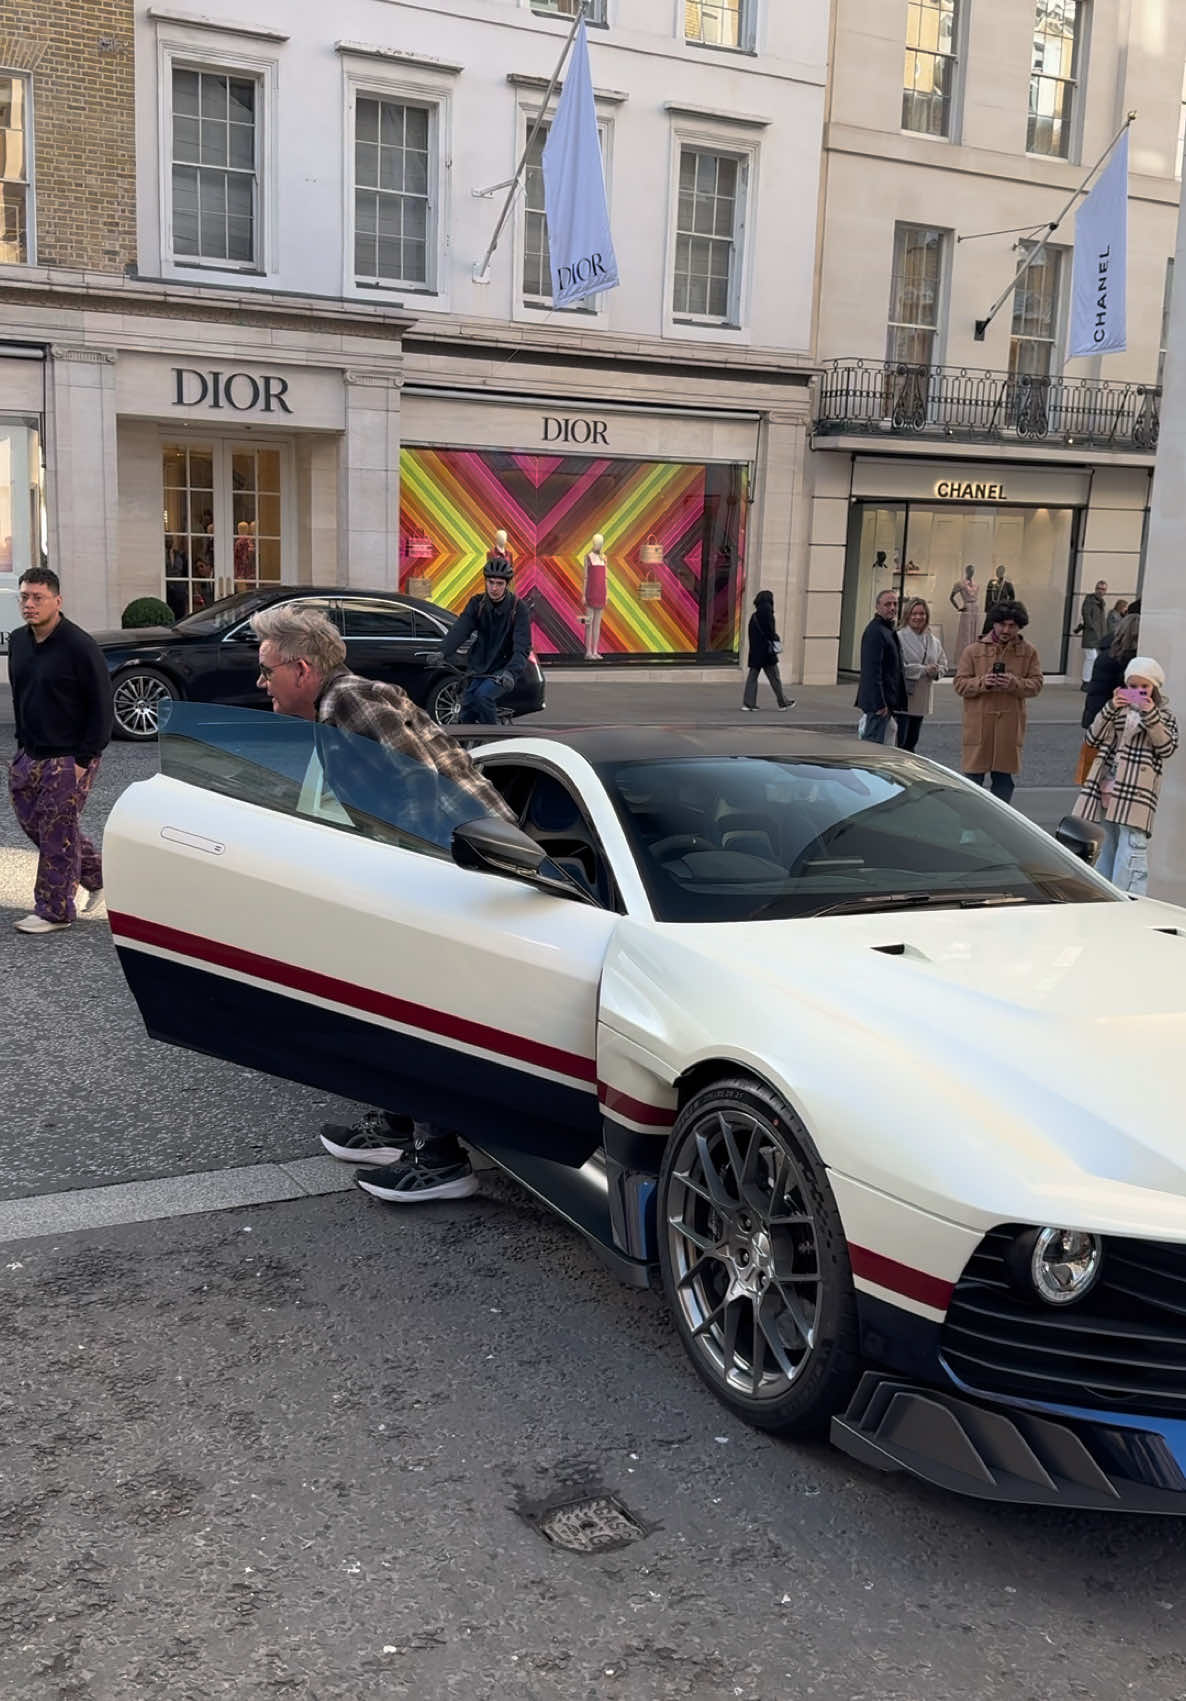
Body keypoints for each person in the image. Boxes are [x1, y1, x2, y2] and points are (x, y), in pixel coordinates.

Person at [249, 602, 517, 1203]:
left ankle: (441, 1161)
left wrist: (409, 881)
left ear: (302, 669)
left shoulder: (351, 700)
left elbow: (422, 783)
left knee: (420, 1009)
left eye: (267, 670)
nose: (260, 682)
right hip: (453, 865)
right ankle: (397, 1123)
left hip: (460, 870)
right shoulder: (336, 705)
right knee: (389, 1000)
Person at [7, 567, 113, 934]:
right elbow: (22, 695)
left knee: (56, 829)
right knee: (40, 824)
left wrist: (84, 760)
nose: (30, 604)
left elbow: (102, 706)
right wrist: (21, 748)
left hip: (70, 756)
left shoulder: (79, 646)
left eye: (38, 597)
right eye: (24, 597)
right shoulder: (19, 642)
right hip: (30, 752)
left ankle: (55, 910)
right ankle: (98, 876)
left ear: (58, 601)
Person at [1073, 656, 1178, 894]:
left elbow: (1166, 748)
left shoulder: (1165, 716)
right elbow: (1091, 739)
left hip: (1137, 792)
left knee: (1133, 848)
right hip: (1108, 787)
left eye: (1145, 687)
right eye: (1133, 686)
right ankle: (1105, 895)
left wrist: (1151, 715)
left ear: (1155, 688)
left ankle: (1130, 899)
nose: (1139, 692)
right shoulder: (1116, 710)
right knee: (1107, 845)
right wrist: (1110, 707)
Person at [953, 599, 1042, 804]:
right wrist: (983, 682)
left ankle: (1000, 828)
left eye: (1012, 625)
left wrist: (1014, 683)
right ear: (994, 623)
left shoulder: (1028, 652)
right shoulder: (973, 650)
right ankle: (969, 828)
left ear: (1019, 626)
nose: (1006, 630)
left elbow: (1036, 685)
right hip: (979, 725)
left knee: (1004, 781)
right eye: (1002, 624)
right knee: (972, 781)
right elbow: (959, 685)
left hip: (1009, 726)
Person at [436, 555, 532, 724]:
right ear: (485, 582)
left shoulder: (518, 608)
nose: (494, 588)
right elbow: (460, 630)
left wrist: (511, 672)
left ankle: (493, 740)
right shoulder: (477, 604)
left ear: (506, 584)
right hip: (478, 666)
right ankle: (468, 747)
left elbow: (522, 647)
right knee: (466, 710)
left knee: (483, 697)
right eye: (491, 582)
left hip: (503, 669)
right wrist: (442, 652)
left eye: (499, 584)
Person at [895, 598, 947, 752]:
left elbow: (944, 663)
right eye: (914, 613)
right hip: (903, 698)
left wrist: (937, 671)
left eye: (922, 614)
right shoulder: (899, 637)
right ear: (907, 615)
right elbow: (898, 668)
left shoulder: (933, 640)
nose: (918, 617)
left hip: (922, 698)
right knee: (900, 743)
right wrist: (923, 670)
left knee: (912, 741)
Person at [855, 589, 906, 743]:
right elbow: (871, 670)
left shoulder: (886, 629)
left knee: (889, 734)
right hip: (879, 703)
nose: (892, 608)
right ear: (877, 607)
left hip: (887, 700)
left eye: (895, 604)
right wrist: (879, 703)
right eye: (887, 604)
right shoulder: (876, 631)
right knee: (872, 744)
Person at [741, 590, 794, 712]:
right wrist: (776, 639)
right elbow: (770, 632)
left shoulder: (754, 616)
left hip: (755, 652)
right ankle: (783, 702)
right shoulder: (768, 613)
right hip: (767, 652)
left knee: (752, 678)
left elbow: (752, 635)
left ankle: (748, 703)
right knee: (775, 677)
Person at [1074, 580, 1109, 689]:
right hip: (1090, 635)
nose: (1100, 591)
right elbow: (1086, 615)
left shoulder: (1101, 603)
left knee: (1094, 659)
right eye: (1098, 588)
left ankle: (1090, 681)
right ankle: (1086, 682)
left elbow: (1102, 621)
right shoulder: (1090, 601)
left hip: (1099, 636)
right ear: (1095, 589)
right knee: (1091, 658)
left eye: (1103, 589)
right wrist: (1091, 627)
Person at [583, 533, 608, 659]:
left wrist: (607, 594)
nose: (599, 544)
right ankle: (588, 651)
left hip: (601, 592)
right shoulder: (587, 557)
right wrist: (583, 594)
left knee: (597, 624)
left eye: (600, 542)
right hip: (591, 592)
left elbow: (606, 578)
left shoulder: (604, 558)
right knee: (589, 622)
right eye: (597, 542)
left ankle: (595, 650)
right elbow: (586, 577)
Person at [949, 565, 980, 656]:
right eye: (970, 571)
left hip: (975, 609)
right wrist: (958, 608)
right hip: (967, 608)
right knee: (966, 633)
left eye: (973, 571)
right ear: (966, 571)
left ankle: (974, 656)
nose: (971, 573)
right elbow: (951, 597)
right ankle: (964, 657)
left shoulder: (976, 584)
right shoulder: (960, 584)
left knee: (974, 632)